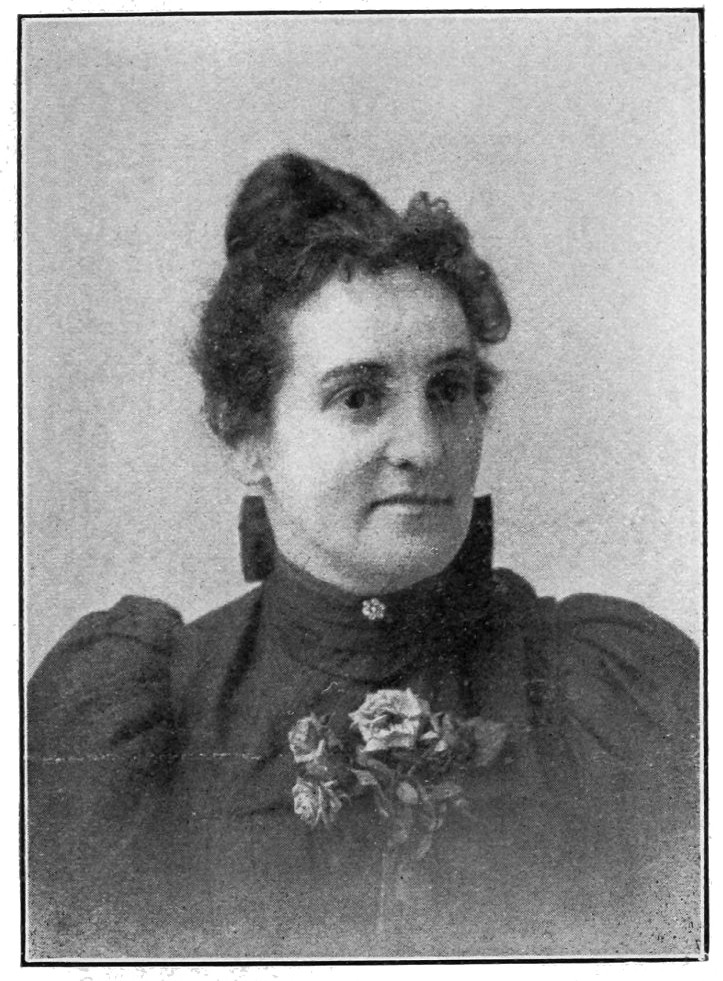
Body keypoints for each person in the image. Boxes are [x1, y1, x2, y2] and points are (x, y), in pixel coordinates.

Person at [27, 153, 700, 960]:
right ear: (246, 436)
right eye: (358, 397)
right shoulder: (146, 716)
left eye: (448, 389)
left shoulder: (605, 689)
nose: (423, 446)